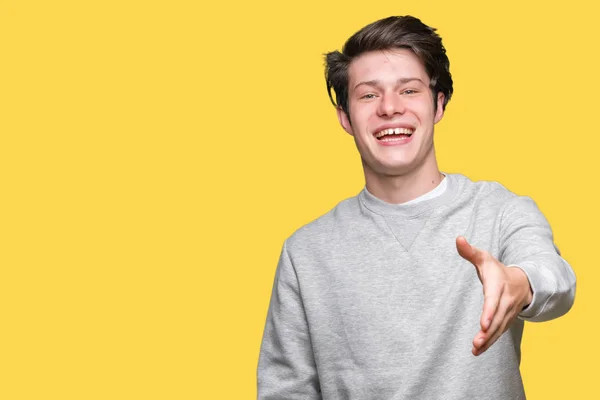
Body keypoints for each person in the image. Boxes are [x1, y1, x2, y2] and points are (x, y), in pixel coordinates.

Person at [257, 15, 576, 400]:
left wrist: (520, 284)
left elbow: (555, 279)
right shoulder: (305, 252)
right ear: (345, 117)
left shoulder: (500, 211)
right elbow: (285, 390)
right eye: (369, 94)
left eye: (409, 91)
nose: (390, 108)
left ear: (438, 104)